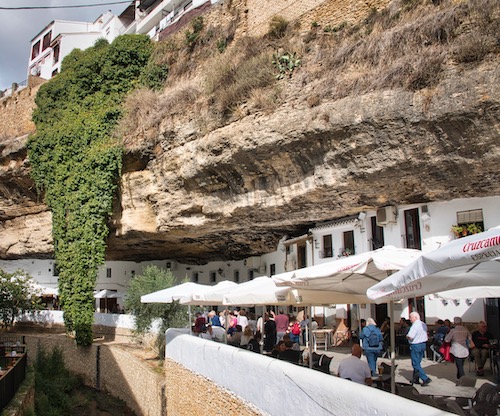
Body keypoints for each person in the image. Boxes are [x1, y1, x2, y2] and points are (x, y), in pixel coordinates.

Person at [406, 311, 432, 386]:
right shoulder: (423, 324)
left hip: (416, 345)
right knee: (418, 362)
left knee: (415, 363)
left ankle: (425, 378)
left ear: (415, 317)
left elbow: (411, 336)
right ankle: (415, 378)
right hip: (423, 344)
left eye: (411, 317)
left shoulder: (415, 325)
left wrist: (406, 336)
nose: (410, 319)